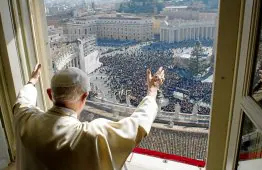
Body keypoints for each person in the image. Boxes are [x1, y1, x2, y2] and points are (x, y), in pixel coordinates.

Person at [13, 64, 165, 170]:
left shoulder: (25, 118)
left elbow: (23, 100)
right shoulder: (91, 135)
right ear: (85, 97)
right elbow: (138, 124)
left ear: (49, 94)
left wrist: (32, 81)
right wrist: (152, 91)